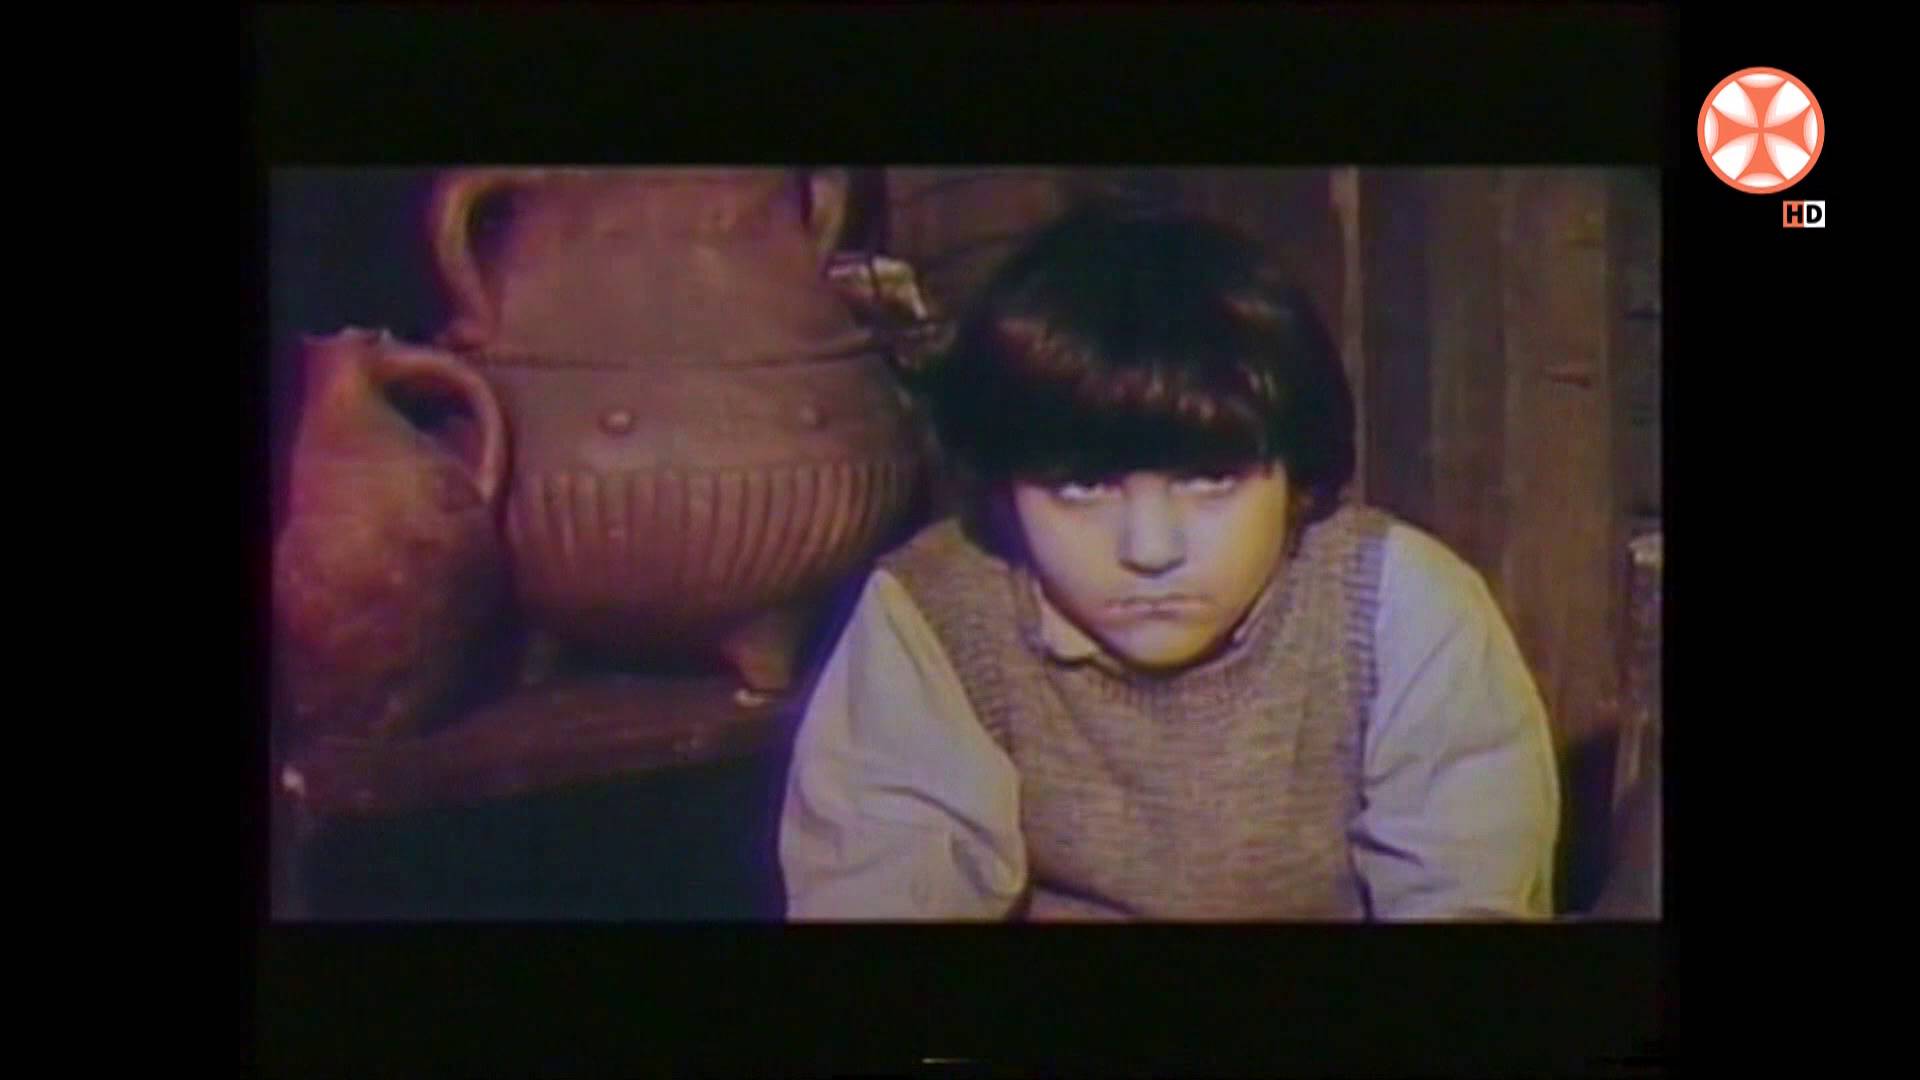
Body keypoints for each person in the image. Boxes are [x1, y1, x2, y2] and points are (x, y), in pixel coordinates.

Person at [778, 209, 1560, 920]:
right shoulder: (939, 612)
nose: (1150, 550)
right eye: (1082, 487)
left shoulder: (1396, 605)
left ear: (1295, 477)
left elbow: (1468, 900)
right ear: (1005, 488)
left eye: (1210, 480)